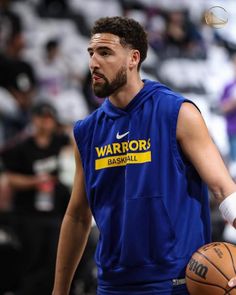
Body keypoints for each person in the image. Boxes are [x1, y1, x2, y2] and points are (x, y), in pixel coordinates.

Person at [52, 16, 236, 295]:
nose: (93, 63)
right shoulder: (86, 132)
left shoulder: (177, 113)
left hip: (176, 284)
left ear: (133, 58)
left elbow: (224, 190)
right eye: (91, 53)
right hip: (113, 286)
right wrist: (59, 291)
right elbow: (77, 216)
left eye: (105, 53)